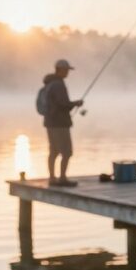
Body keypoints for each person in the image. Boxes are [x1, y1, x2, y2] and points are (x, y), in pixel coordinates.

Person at [43, 59, 83, 187]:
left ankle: (52, 178)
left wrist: (71, 104)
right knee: (67, 152)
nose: (67, 72)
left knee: (54, 151)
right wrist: (76, 103)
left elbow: (58, 103)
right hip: (59, 124)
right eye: (66, 70)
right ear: (60, 70)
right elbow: (63, 104)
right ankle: (62, 179)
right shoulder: (58, 84)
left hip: (50, 123)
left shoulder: (50, 83)